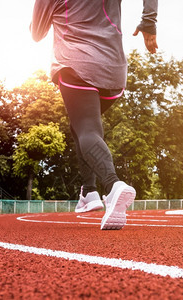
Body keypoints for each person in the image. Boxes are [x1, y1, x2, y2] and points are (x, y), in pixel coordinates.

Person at [31, 0, 158, 230]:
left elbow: (37, 34)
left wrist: (34, 21)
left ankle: (113, 185)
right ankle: (89, 192)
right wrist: (149, 21)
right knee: (81, 126)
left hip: (76, 63)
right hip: (113, 70)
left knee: (87, 128)